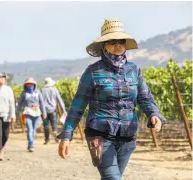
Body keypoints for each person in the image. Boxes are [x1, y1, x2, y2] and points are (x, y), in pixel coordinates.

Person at [57, 19, 167, 180]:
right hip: (100, 136)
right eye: (112, 41)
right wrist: (67, 135)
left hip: (127, 137)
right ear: (104, 46)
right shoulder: (93, 72)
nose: (118, 45)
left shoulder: (134, 70)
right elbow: (77, 106)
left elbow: (145, 97)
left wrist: (154, 115)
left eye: (121, 41)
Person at [16, 77, 46, 152]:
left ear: (34, 84)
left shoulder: (38, 92)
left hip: (36, 112)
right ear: (25, 85)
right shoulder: (24, 93)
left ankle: (30, 144)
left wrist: (44, 112)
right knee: (30, 129)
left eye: (31, 84)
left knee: (34, 130)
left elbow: (42, 103)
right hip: (28, 112)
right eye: (28, 84)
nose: (30, 85)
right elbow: (19, 104)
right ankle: (31, 144)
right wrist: (16, 113)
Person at [41, 77, 66, 144]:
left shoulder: (42, 90)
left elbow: (40, 101)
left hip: (44, 111)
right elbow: (59, 99)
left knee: (46, 125)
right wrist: (64, 109)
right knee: (54, 123)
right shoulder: (54, 89)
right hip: (52, 109)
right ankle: (55, 132)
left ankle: (47, 140)